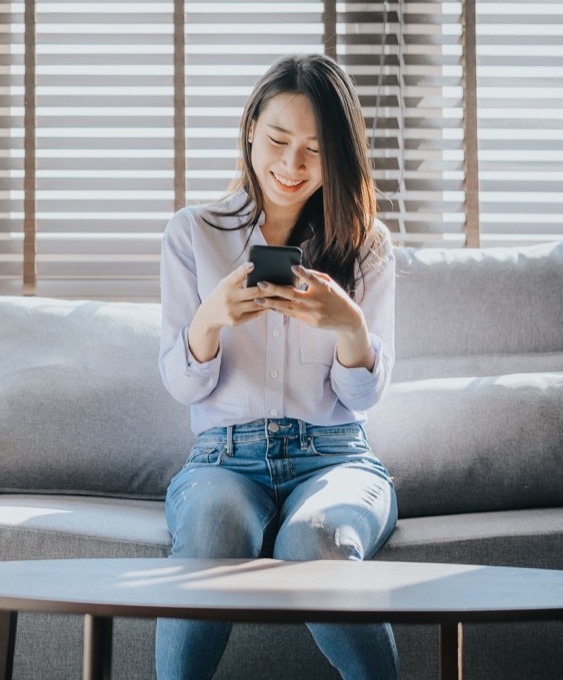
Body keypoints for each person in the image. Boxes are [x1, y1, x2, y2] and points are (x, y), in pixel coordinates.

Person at [156, 53, 399, 680]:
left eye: (315, 150)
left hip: (336, 458)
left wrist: (349, 326)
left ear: (339, 157)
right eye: (278, 140)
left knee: (312, 539)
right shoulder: (194, 234)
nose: (291, 166)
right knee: (212, 526)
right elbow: (182, 382)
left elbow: (363, 398)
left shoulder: (367, 246)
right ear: (249, 132)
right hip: (222, 459)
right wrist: (210, 320)